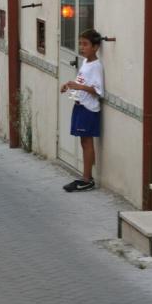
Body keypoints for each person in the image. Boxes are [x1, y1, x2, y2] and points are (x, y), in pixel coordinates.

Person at [60, 29, 104, 192]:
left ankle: (87, 179)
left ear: (95, 47)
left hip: (88, 108)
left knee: (87, 142)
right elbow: (81, 81)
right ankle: (86, 176)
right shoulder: (85, 62)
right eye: (80, 44)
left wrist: (80, 87)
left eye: (85, 44)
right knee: (83, 141)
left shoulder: (96, 66)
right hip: (79, 105)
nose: (82, 47)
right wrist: (68, 85)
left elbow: (98, 90)